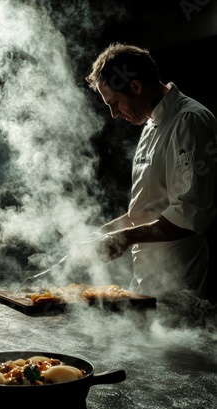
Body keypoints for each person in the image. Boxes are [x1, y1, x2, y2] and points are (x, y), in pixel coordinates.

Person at [85, 43, 217, 300]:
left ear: (135, 87)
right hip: (145, 279)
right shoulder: (149, 126)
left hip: (178, 282)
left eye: (115, 103)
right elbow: (148, 208)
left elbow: (189, 215)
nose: (113, 114)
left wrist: (123, 239)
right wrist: (105, 232)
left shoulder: (188, 121)